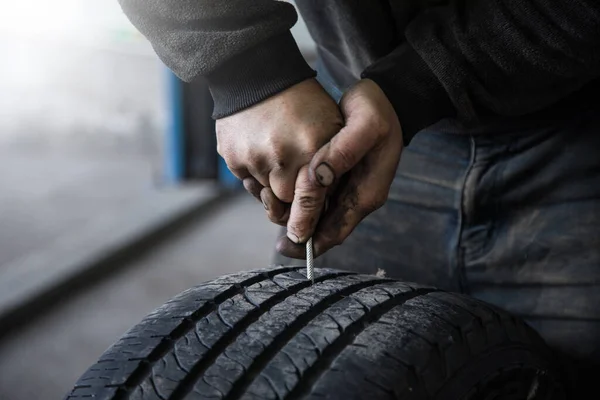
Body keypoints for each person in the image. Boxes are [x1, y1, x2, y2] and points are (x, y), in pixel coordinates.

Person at [119, 0, 600, 392]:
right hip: (357, 126)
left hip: (573, 131)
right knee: (295, 369)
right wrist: (250, 74)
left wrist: (414, 85)